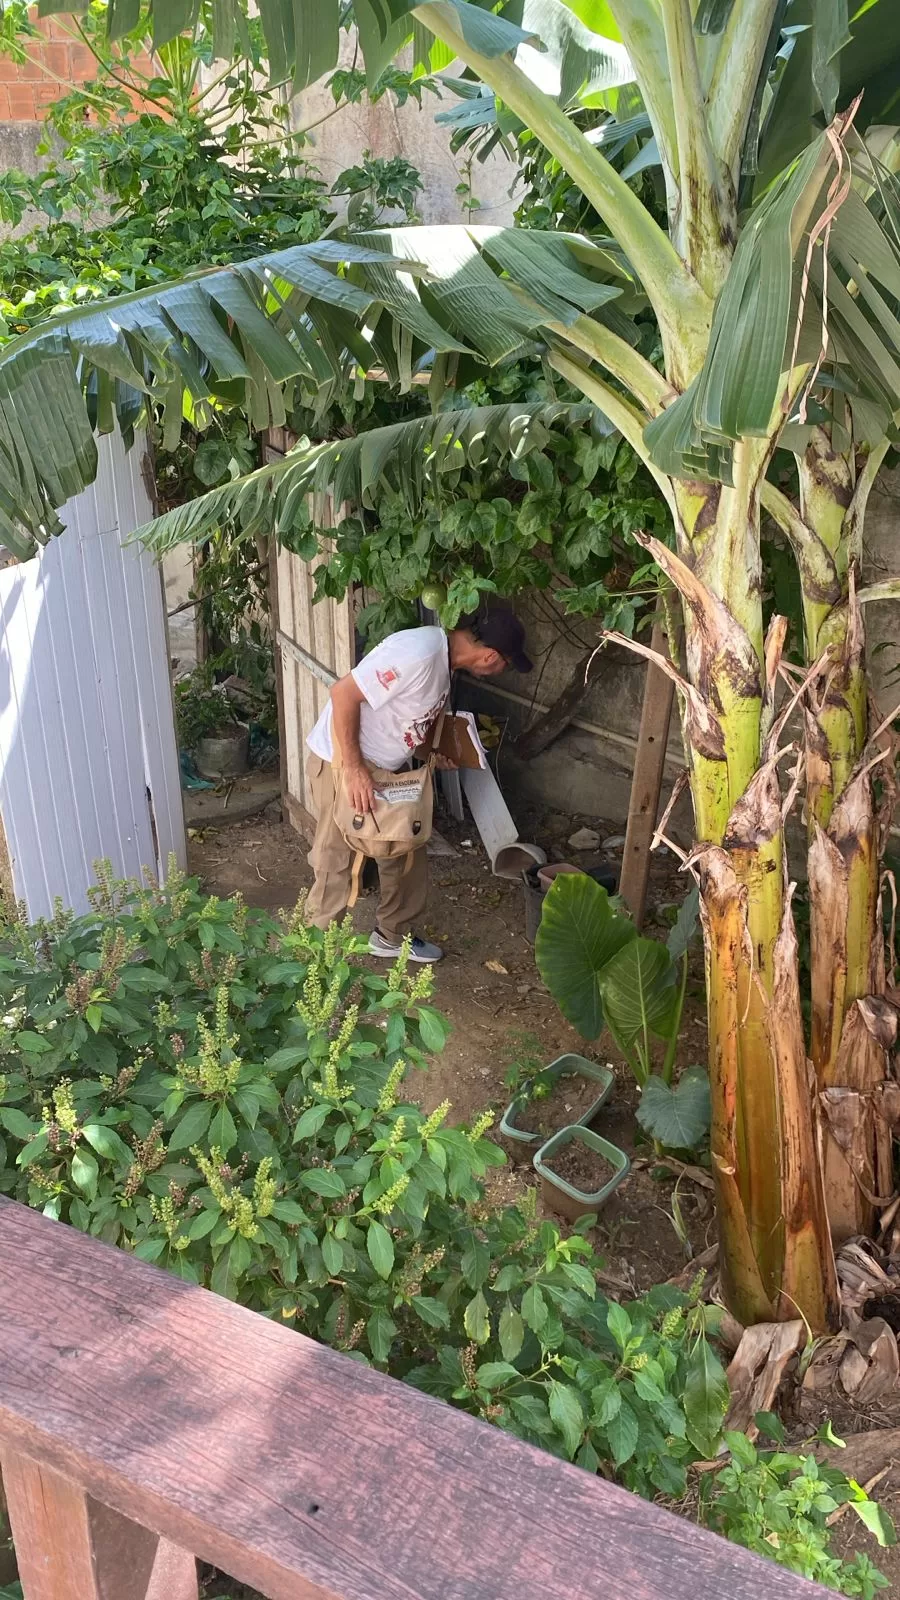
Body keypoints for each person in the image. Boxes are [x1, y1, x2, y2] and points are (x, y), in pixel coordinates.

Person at [305, 608, 533, 962]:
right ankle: (312, 958)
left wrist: (433, 752)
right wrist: (353, 770)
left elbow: (406, 716)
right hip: (345, 762)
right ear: (490, 656)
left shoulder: (444, 663)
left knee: (406, 846)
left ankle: (392, 935)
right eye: (505, 664)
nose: (500, 672)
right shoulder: (418, 654)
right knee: (337, 858)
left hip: (385, 767)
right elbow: (343, 695)